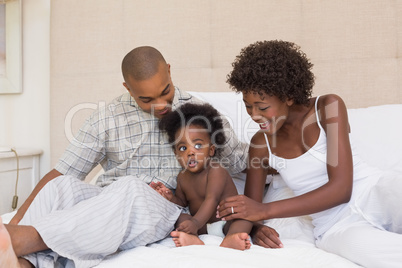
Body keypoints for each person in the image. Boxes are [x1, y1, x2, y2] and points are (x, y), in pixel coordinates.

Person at [0, 46, 250, 268]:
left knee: (131, 188)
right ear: (128, 88)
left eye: (166, 91)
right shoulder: (105, 117)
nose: (162, 104)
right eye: (147, 99)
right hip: (108, 201)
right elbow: (62, 172)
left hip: (162, 209)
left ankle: (21, 240)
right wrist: (17, 219)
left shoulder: (198, 113)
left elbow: (241, 162)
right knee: (60, 186)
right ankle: (22, 262)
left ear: (170, 72)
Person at [216, 40, 402, 267]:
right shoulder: (260, 145)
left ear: (288, 97)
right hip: (335, 227)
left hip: (373, 192)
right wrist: (252, 229)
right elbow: (250, 209)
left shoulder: (328, 107)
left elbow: (342, 189)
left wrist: (264, 209)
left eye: (262, 107)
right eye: (247, 106)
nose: (253, 115)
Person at [151, 103, 252, 250]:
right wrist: (170, 197)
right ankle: (193, 239)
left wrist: (195, 223)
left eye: (198, 146)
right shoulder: (182, 177)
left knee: (243, 219)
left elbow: (212, 199)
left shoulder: (216, 170)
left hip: (226, 222)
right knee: (179, 217)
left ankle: (232, 238)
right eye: (183, 148)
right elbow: (182, 202)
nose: (190, 152)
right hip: (202, 227)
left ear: (211, 150)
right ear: (176, 154)